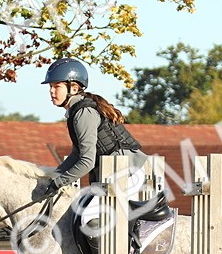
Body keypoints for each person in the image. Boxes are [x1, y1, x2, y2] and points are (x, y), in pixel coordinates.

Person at [39, 56, 148, 210]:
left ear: (74, 88)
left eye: (57, 87)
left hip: (127, 174)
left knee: (89, 218)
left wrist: (58, 183)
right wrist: (52, 176)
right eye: (50, 87)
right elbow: (77, 154)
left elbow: (87, 161)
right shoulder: (76, 111)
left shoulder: (83, 113)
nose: (51, 91)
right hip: (115, 173)